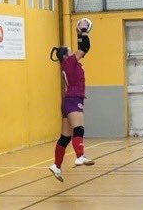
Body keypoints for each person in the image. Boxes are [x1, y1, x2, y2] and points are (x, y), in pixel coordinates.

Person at [49, 18, 94, 182]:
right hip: (73, 99)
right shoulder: (69, 62)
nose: (73, 51)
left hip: (67, 101)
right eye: (70, 50)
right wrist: (84, 31)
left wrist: (79, 35)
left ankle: (56, 165)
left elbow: (81, 48)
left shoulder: (67, 63)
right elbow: (84, 48)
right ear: (66, 55)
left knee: (65, 137)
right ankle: (80, 156)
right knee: (79, 128)